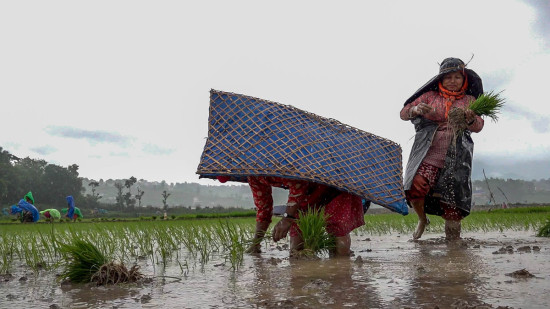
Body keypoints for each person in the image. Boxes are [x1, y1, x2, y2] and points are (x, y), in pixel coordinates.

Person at [400, 57, 484, 240]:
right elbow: (403, 113)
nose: (452, 81)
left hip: (457, 158)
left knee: (453, 203)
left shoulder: (469, 100)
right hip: (429, 153)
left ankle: (453, 250)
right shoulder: (430, 96)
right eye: (448, 77)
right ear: (440, 80)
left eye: (457, 77)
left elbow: (479, 125)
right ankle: (422, 219)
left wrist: (469, 119)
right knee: (415, 186)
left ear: (464, 80)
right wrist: (415, 110)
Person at [242, 175, 365, 256]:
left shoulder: (283, 161)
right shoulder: (254, 177)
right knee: (296, 249)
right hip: (306, 195)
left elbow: (298, 185)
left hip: (334, 186)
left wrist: (287, 219)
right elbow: (263, 207)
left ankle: (342, 277)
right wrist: (256, 243)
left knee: (338, 234)